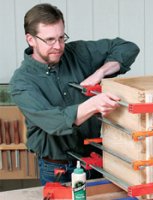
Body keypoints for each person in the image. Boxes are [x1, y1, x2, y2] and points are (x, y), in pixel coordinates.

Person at [9, 3, 139, 185]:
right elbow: (55, 122)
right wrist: (94, 104)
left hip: (96, 160)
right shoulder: (21, 82)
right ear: (31, 39)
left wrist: (100, 72)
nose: (59, 46)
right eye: (50, 40)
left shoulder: (76, 52)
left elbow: (127, 48)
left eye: (62, 37)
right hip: (58, 168)